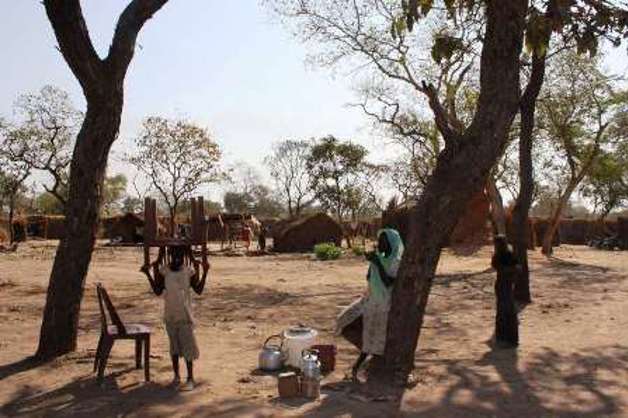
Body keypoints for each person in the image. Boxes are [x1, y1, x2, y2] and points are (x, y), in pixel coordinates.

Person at [141, 244, 210, 390]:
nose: (177, 257)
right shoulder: (164, 271)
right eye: (174, 254)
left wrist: (205, 272)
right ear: (170, 254)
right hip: (170, 315)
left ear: (184, 255)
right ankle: (176, 376)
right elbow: (158, 291)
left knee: (188, 347)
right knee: (174, 347)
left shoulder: (189, 271)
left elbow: (199, 290)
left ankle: (190, 378)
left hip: (185, 315)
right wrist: (148, 275)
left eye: (180, 254)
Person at [351, 228, 404, 380]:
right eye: (379, 240)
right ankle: (364, 362)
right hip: (371, 300)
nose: (379, 243)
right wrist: (372, 262)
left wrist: (377, 262)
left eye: (383, 241)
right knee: (346, 321)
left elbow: (388, 283)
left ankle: (359, 366)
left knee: (373, 336)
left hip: (384, 303)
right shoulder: (379, 257)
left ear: (392, 244)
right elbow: (369, 278)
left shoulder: (396, 262)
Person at [491, 235, 520, 347]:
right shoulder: (500, 255)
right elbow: (497, 267)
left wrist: (509, 270)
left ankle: (510, 339)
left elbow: (517, 268)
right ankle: (502, 338)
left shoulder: (508, 255)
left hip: (505, 285)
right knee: (503, 312)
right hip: (502, 285)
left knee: (507, 312)